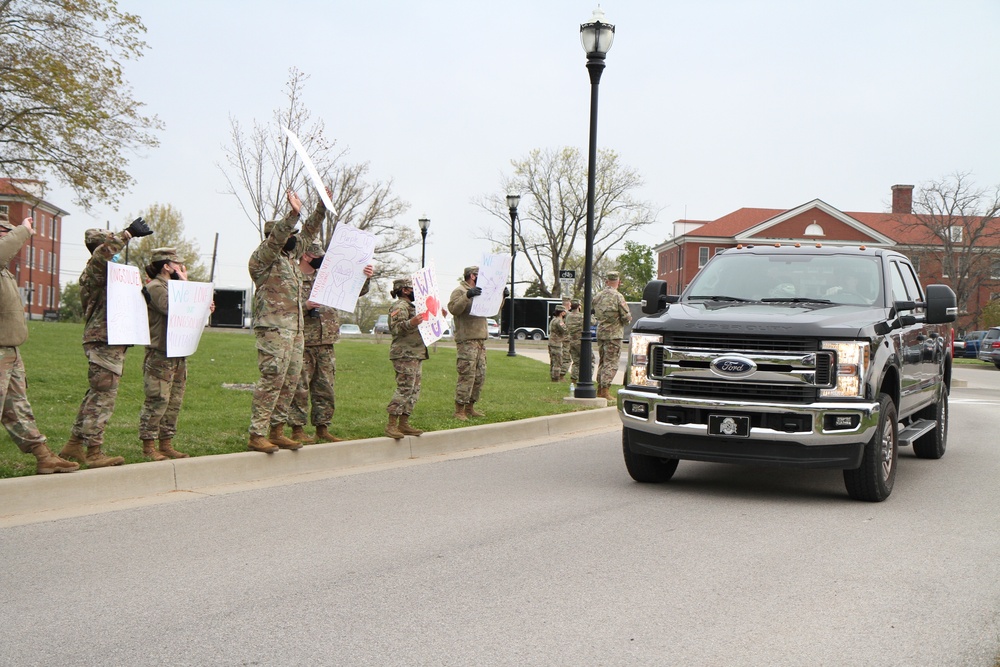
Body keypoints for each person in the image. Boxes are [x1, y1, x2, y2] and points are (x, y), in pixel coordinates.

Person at [60, 217, 154, 468]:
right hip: (103, 340)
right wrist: (127, 234)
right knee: (104, 396)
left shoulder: (111, 275)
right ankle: (93, 452)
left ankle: (73, 446)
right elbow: (103, 255)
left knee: (97, 394)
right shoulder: (96, 267)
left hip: (113, 340)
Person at [247, 189, 324, 454]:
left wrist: (322, 207)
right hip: (273, 329)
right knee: (272, 378)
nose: (294, 239)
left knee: (290, 381)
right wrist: (292, 215)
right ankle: (257, 433)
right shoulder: (262, 259)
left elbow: (310, 233)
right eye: (289, 235)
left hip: (296, 329)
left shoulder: (291, 259)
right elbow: (277, 239)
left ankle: (277, 430)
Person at [0, 215, 78, 474]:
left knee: (18, 409)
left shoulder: (4, 271)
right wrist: (23, 230)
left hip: (9, 350)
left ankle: (44, 456)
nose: (8, 237)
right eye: (4, 232)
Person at [287, 242, 373, 444]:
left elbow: (353, 291)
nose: (322, 260)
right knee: (299, 387)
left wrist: (365, 277)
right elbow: (282, 309)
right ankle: (297, 429)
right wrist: (305, 306)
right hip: (303, 341)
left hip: (326, 341)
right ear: (307, 256)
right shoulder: (292, 278)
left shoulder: (325, 278)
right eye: (318, 256)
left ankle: (322, 428)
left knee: (325, 387)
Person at [137, 247, 214, 461]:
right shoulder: (155, 287)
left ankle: (166, 443)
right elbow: (175, 309)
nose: (181, 267)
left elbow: (190, 312)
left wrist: (205, 307)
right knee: (157, 399)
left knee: (174, 401)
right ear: (166, 266)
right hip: (160, 353)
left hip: (178, 353)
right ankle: (149, 446)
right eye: (177, 264)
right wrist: (187, 288)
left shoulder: (175, 287)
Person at [384, 278, 429, 439]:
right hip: (404, 354)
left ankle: (404, 423)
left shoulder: (412, 307)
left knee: (414, 390)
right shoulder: (399, 306)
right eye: (413, 288)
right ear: (405, 290)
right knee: (404, 388)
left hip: (415, 353)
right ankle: (391, 425)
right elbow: (395, 328)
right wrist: (411, 322)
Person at [448, 265, 489, 421]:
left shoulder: (481, 290)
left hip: (480, 341)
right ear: (472, 276)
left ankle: (470, 407)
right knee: (467, 375)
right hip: (467, 341)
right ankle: (459, 410)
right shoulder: (459, 291)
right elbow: (454, 309)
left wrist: (502, 297)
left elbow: (493, 310)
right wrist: (467, 296)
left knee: (480, 376)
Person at [592, 271, 631, 400]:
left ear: (607, 281)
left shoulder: (598, 296)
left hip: (601, 332)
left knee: (602, 362)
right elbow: (626, 317)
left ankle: (599, 389)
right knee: (611, 362)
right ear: (618, 282)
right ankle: (605, 390)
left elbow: (594, 312)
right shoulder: (618, 296)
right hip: (614, 334)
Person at [565, 298, 595, 385]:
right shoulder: (581, 316)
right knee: (590, 360)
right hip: (581, 342)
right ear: (579, 306)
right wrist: (591, 315)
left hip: (571, 341)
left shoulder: (568, 316)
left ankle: (573, 379)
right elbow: (592, 322)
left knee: (576, 362)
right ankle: (588, 378)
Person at [547, 305, 568, 382]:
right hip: (557, 343)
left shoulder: (553, 320)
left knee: (553, 361)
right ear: (562, 313)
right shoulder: (559, 321)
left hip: (551, 342)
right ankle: (556, 379)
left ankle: (552, 376)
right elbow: (565, 330)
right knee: (557, 362)